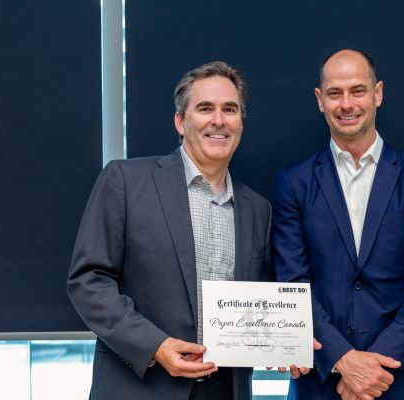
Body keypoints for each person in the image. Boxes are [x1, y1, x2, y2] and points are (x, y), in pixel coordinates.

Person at [67, 61, 274, 400]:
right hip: (141, 386)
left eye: (230, 110)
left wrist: (282, 344)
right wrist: (156, 346)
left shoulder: (258, 209)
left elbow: (259, 303)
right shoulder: (125, 181)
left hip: (226, 390)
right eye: (205, 108)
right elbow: (87, 282)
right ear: (181, 121)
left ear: (240, 122)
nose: (219, 120)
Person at [272, 49, 404, 400]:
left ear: (378, 93)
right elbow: (292, 284)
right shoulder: (293, 183)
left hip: (401, 380)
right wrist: (342, 359)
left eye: (357, 90)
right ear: (319, 100)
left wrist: (373, 367)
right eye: (334, 93)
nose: (347, 104)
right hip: (321, 381)